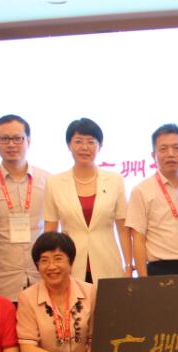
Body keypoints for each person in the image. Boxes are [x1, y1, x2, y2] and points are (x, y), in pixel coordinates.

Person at [43, 117, 131, 283]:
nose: (84, 147)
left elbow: (123, 228)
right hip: (70, 263)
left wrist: (128, 266)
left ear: (100, 146)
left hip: (107, 262)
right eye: (78, 141)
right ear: (69, 145)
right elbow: (50, 229)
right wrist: (49, 265)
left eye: (91, 142)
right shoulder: (54, 182)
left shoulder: (115, 180)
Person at [0, 114, 49, 300]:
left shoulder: (48, 180)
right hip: (3, 278)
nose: (11, 144)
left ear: (28, 140)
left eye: (17, 138)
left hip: (41, 275)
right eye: (5, 139)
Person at [126, 124, 178, 276]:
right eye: (163, 149)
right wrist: (144, 281)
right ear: (153, 155)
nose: (170, 154)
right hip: (160, 269)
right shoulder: (141, 190)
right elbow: (138, 239)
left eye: (177, 148)